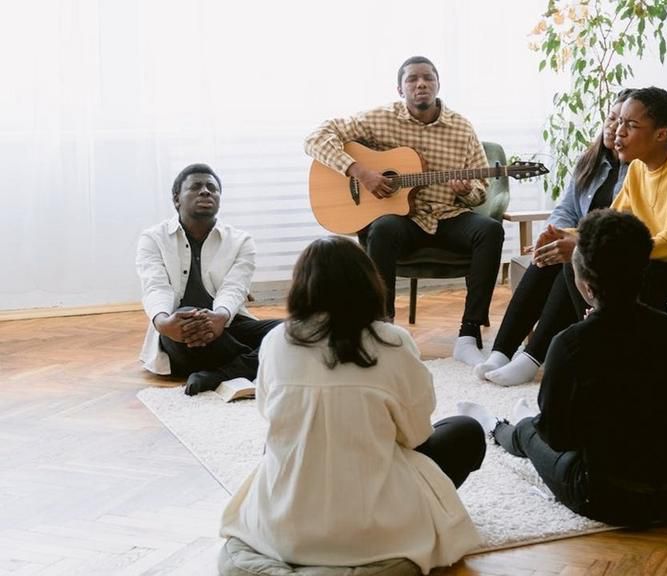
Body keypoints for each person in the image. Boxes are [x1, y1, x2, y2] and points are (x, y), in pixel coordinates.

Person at [220, 236, 485, 572]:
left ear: (301, 287)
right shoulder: (392, 341)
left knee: (279, 446)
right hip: (374, 530)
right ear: (368, 283)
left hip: (287, 528)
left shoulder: (276, 340)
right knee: (465, 430)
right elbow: (416, 435)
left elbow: (269, 418)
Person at [481, 86, 667, 387]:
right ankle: (508, 354)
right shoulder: (638, 168)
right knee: (558, 255)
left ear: (661, 134)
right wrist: (562, 235)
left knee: (580, 258)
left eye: (630, 125)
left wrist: (582, 245)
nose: (617, 132)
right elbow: (610, 222)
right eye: (617, 122)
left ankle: (548, 357)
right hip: (661, 262)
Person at [458, 209, 667, 526]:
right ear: (644, 269)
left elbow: (558, 440)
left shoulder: (570, 344)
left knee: (535, 433)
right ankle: (522, 422)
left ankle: (497, 426)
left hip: (607, 496)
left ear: (585, 286)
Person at [304, 55, 504, 367]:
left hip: (448, 216)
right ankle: (382, 329)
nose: (421, 83)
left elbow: (480, 187)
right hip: (403, 221)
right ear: (400, 89)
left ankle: (468, 334)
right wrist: (360, 172)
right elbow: (315, 138)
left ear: (438, 85)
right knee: (382, 228)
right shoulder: (380, 119)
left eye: (428, 78)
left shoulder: (462, 128)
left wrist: (468, 191)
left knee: (491, 230)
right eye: (412, 79)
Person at [474, 89, 634, 385]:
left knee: (567, 259)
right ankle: (502, 351)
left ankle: (531, 357)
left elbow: (623, 225)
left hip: (607, 252)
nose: (614, 127)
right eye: (611, 118)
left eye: (623, 122)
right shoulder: (591, 162)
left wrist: (572, 240)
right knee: (546, 255)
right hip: (582, 244)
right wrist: (551, 233)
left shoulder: (637, 170)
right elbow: (566, 208)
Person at [136, 163, 281, 395]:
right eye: (196, 187)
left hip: (228, 325)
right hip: (180, 332)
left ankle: (218, 376)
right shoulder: (153, 238)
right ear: (176, 199)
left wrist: (221, 317)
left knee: (294, 329)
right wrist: (162, 322)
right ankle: (263, 358)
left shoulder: (241, 240)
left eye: (212, 188)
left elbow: (235, 288)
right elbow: (156, 287)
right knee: (190, 314)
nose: (205, 191)